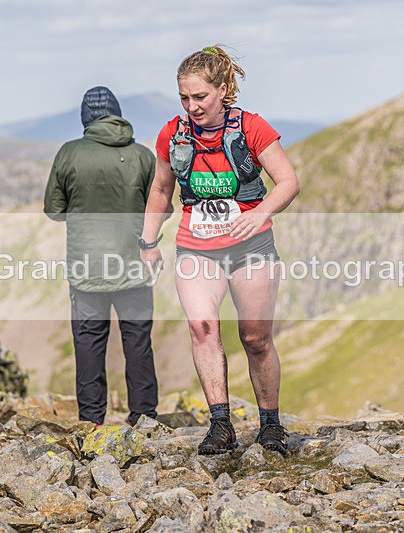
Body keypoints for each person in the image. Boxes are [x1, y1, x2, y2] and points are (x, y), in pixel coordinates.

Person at [139, 46, 300, 456]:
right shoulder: (171, 135)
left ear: (223, 90)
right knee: (203, 328)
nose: (192, 106)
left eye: (200, 97)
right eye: (184, 98)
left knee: (255, 338)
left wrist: (259, 213)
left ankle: (270, 425)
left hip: (252, 247)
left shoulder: (252, 127)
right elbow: (160, 190)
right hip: (197, 247)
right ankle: (220, 424)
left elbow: (287, 181)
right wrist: (148, 243)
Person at [44, 86, 166, 426]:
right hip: (135, 265)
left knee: (88, 343)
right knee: (138, 342)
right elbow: (163, 209)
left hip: (87, 268)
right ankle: (143, 418)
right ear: (117, 114)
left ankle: (92, 421)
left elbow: (54, 210)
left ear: (85, 119)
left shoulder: (69, 153)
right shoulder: (142, 156)